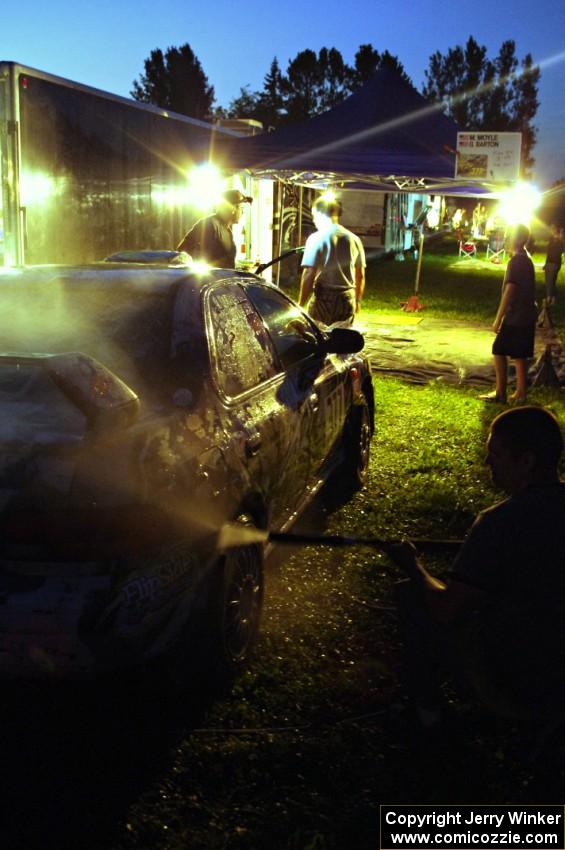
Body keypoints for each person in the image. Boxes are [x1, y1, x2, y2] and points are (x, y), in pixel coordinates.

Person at [389, 406, 565, 729]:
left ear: (526, 461)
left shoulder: (498, 523)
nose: (487, 463)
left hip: (520, 679)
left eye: (495, 454)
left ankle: (428, 716)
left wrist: (412, 565)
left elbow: (446, 609)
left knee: (414, 596)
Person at [479, 223, 537, 405]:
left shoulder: (517, 261)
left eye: (509, 234)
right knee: (520, 354)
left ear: (519, 239)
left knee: (499, 349)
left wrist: (498, 318)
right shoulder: (526, 258)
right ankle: (520, 393)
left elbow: (511, 289)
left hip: (517, 315)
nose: (506, 238)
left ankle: (500, 393)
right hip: (527, 313)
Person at [298, 196, 366, 326]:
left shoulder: (316, 238)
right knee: (342, 339)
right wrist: (357, 301)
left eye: (313, 215)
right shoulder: (354, 239)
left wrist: (300, 305)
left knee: (318, 337)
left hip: (323, 298)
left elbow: (309, 273)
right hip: (347, 299)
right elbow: (360, 275)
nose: (313, 220)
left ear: (320, 213)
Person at [176, 189, 252, 268]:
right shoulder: (209, 224)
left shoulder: (228, 231)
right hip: (210, 279)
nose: (243, 212)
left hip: (224, 279)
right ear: (233, 208)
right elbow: (182, 250)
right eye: (241, 208)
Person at [543, 223, 563, 305]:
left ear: (556, 229)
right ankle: (551, 297)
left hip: (555, 263)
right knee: (549, 281)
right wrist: (545, 263)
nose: (551, 230)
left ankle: (549, 298)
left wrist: (561, 236)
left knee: (551, 281)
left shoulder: (560, 239)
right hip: (549, 262)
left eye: (553, 228)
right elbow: (549, 252)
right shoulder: (551, 238)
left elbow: (560, 250)